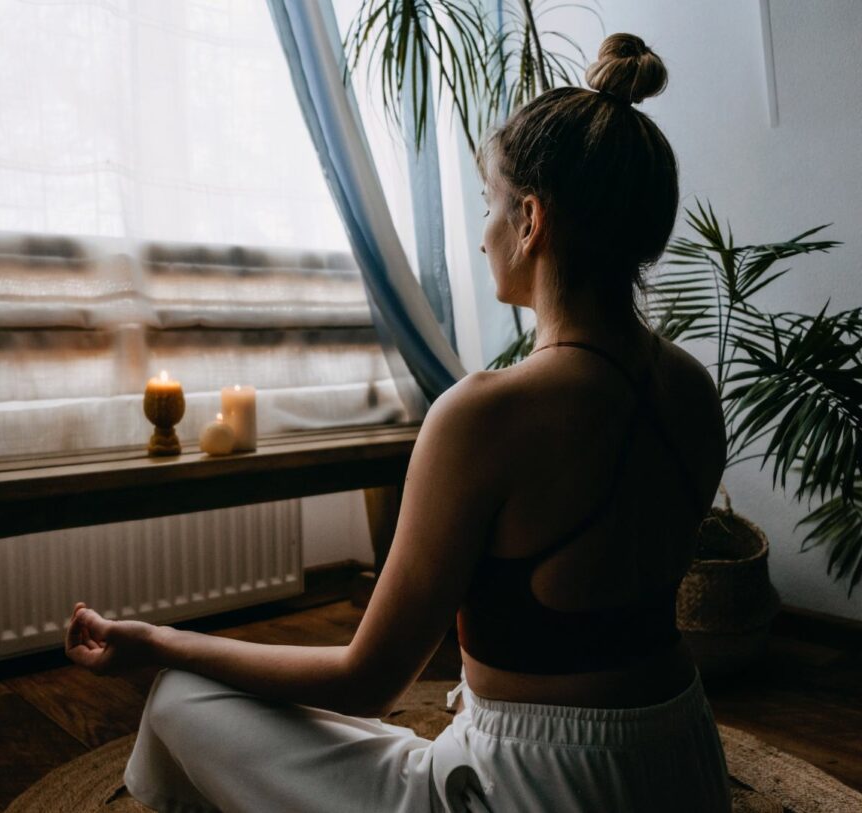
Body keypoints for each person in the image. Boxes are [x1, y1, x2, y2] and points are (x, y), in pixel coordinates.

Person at [65, 33, 732, 813]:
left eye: (490, 205)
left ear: (531, 220)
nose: (483, 232)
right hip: (683, 763)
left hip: (543, 790)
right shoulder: (691, 387)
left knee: (182, 696)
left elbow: (366, 682)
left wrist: (158, 641)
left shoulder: (486, 414)